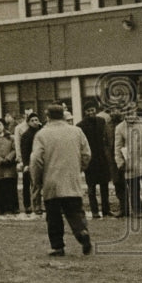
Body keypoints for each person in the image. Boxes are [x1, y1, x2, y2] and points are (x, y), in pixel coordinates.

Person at [29, 102, 93, 257]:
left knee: (53, 216)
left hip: (51, 181)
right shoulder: (77, 131)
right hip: (72, 180)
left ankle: (58, 246)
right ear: (63, 115)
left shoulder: (42, 134)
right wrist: (79, 168)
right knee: (75, 212)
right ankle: (82, 232)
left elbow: (36, 159)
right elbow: (87, 154)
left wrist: (37, 179)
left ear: (47, 116)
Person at [114, 102, 142, 218]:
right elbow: (117, 147)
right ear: (124, 114)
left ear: (136, 112)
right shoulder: (119, 128)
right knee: (134, 189)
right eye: (127, 114)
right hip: (130, 163)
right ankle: (138, 211)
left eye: (132, 113)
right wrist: (120, 162)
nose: (130, 116)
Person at [78, 102, 112, 219]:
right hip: (90, 161)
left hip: (102, 159)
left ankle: (106, 210)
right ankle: (94, 211)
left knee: (104, 186)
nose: (91, 112)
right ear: (85, 112)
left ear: (95, 110)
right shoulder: (80, 126)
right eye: (88, 111)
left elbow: (106, 139)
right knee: (91, 188)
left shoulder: (101, 121)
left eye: (92, 110)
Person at [14, 107, 36, 214]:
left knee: (37, 183)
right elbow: (17, 144)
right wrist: (20, 160)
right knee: (26, 183)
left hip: (36, 158)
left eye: (30, 113)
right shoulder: (19, 128)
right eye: (26, 114)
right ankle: (27, 205)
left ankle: (37, 204)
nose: (28, 115)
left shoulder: (38, 126)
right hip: (25, 158)